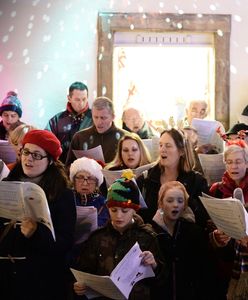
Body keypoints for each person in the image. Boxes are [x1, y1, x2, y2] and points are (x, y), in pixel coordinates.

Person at [0, 129, 77, 300]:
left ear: (50, 161)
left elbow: (65, 242)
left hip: (40, 280)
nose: (29, 158)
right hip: (5, 277)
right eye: (26, 152)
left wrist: (36, 233)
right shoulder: (6, 183)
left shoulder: (62, 194)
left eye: (37, 155)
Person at [72, 170, 164, 300]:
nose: (118, 215)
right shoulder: (97, 238)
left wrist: (154, 265)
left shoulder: (148, 238)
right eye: (113, 210)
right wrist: (80, 286)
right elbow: (85, 273)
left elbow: (161, 282)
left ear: (134, 210)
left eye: (125, 210)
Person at [151, 181, 214, 300]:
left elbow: (204, 272)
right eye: (170, 201)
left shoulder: (195, 232)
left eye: (180, 201)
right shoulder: (151, 232)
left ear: (185, 205)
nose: (175, 205)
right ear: (161, 203)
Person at [136, 128, 210, 228]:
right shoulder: (146, 179)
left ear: (181, 151)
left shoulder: (197, 181)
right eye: (160, 145)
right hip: (152, 240)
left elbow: (203, 220)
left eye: (168, 146)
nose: (162, 149)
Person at [209, 140, 248, 299]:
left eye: (238, 162)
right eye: (229, 162)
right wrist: (217, 237)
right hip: (228, 261)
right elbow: (210, 226)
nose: (234, 167)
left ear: (246, 164)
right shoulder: (216, 190)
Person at [66, 96, 128, 166]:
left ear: (113, 117)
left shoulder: (125, 137)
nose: (99, 122)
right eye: (95, 117)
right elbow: (68, 167)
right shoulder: (80, 137)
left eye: (103, 118)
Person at [45, 82, 93, 163]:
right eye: (77, 99)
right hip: (62, 167)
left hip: (88, 169)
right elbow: (47, 142)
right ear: (69, 98)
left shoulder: (94, 118)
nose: (81, 103)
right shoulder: (57, 120)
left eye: (84, 99)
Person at [69, 156, 109, 228]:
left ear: (97, 184)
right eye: (80, 178)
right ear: (74, 181)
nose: (85, 183)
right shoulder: (66, 199)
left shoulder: (103, 203)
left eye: (90, 179)